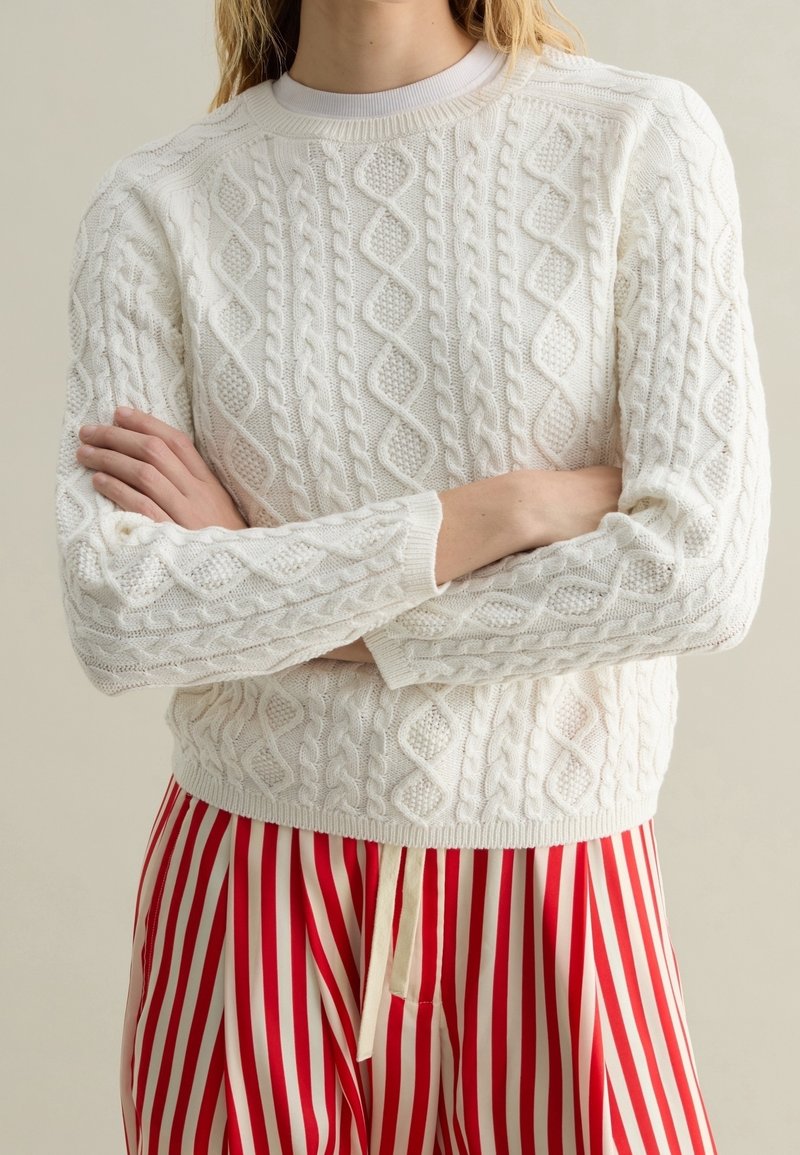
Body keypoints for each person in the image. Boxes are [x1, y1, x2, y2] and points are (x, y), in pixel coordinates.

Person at [54, 0, 771, 1151]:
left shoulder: (636, 139)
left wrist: (280, 598)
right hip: (251, 898)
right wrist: (495, 513)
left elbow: (696, 572)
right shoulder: (157, 203)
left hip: (555, 893)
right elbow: (124, 612)